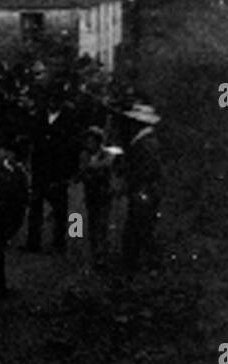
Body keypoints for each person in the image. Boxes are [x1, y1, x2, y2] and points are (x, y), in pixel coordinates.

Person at [24, 82, 81, 252]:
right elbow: (34, 138)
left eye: (56, 100)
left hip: (58, 169)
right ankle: (33, 242)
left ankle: (61, 242)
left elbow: (73, 145)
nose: (52, 103)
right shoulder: (40, 116)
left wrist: (71, 169)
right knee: (35, 206)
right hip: (40, 167)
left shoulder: (69, 118)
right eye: (50, 99)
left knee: (61, 208)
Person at [121, 102, 163, 271]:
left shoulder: (146, 144)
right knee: (139, 226)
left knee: (140, 227)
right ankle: (136, 263)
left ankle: (139, 264)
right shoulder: (144, 141)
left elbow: (146, 170)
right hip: (144, 189)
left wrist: (132, 180)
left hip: (143, 190)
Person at [77, 126, 117, 268]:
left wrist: (93, 168)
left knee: (102, 223)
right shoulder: (85, 155)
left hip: (104, 193)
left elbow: (107, 166)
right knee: (93, 223)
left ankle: (102, 254)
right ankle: (94, 252)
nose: (89, 144)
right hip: (91, 193)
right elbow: (84, 171)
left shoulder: (106, 154)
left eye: (92, 141)